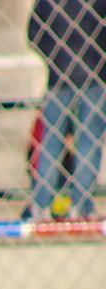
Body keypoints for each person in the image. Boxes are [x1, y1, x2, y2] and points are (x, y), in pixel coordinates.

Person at [27, 0, 106, 220]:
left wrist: (55, 60)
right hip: (94, 75)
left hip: (59, 77)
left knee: (51, 142)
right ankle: (81, 208)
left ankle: (41, 206)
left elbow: (33, 35)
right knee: (88, 143)